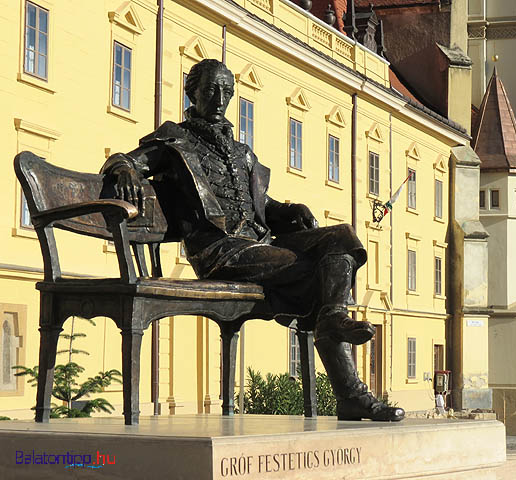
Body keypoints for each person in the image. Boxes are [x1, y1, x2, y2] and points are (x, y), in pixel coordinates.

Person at [101, 59, 404, 421]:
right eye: (211, 89)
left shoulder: (242, 152)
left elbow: (259, 206)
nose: (219, 98)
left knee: (343, 239)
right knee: (322, 277)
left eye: (227, 91)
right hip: (221, 252)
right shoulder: (175, 140)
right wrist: (123, 171)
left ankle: (334, 321)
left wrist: (288, 211)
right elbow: (123, 160)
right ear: (192, 91)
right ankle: (350, 389)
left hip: (261, 244)